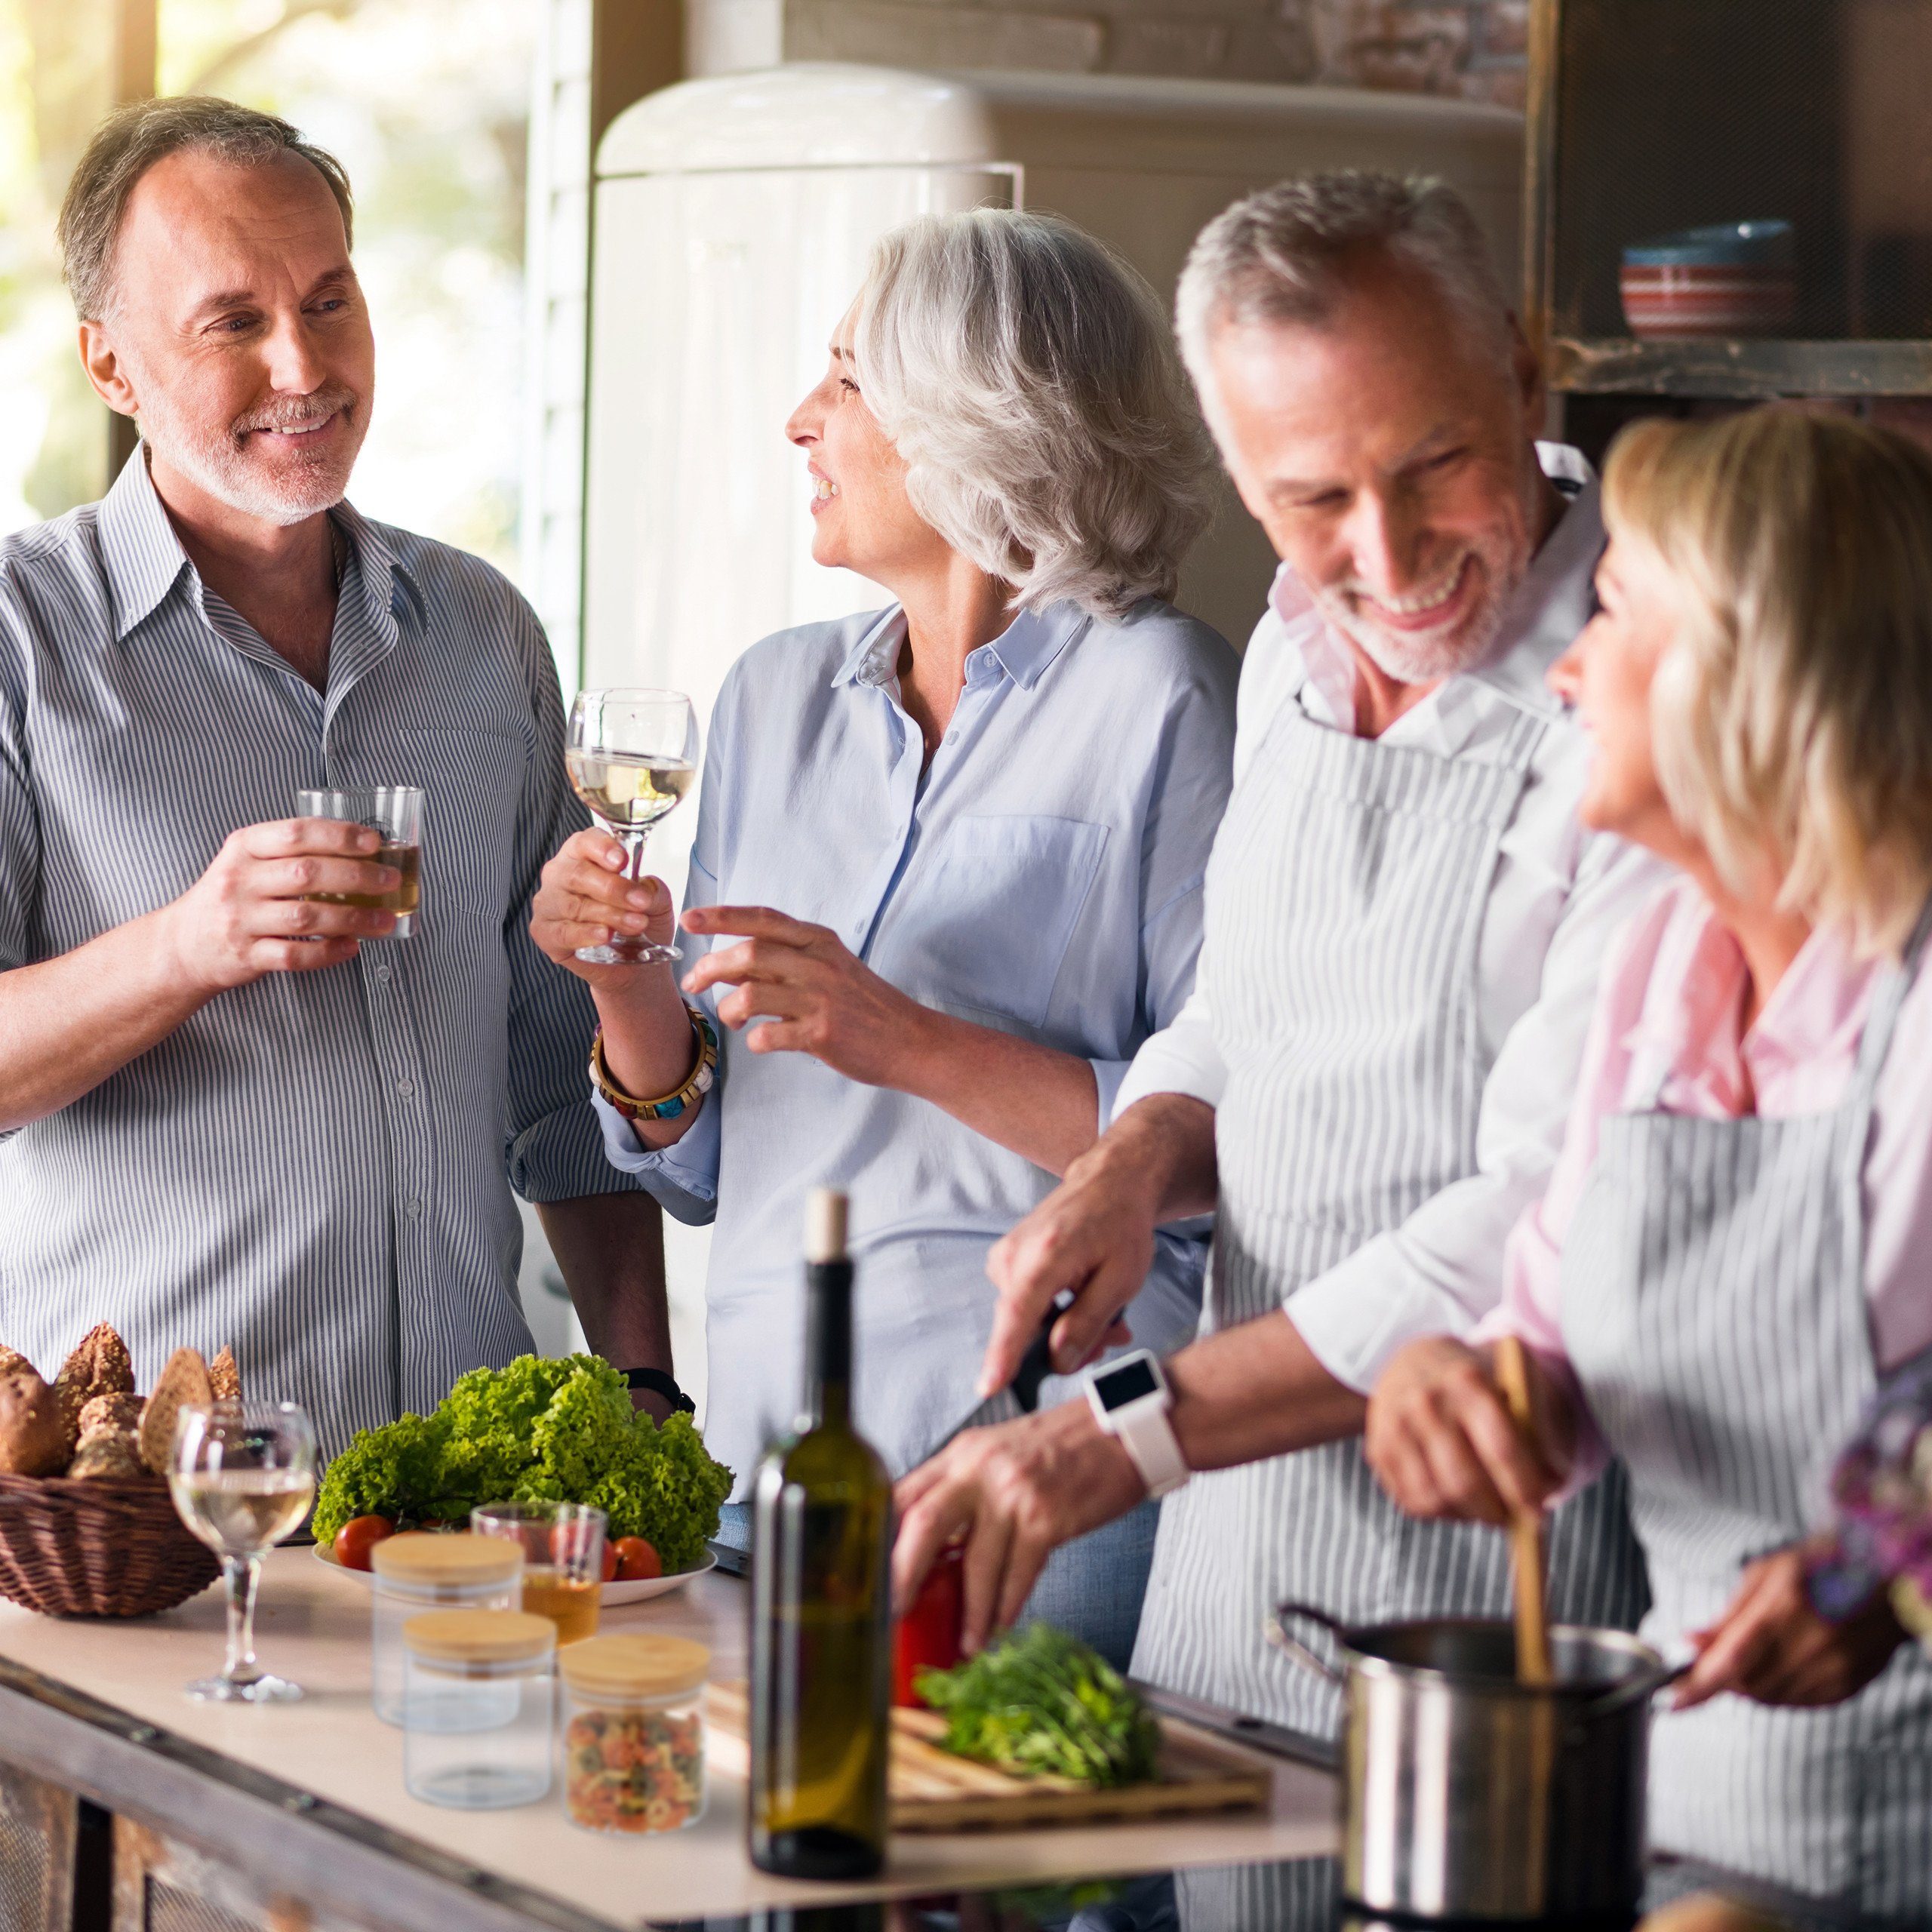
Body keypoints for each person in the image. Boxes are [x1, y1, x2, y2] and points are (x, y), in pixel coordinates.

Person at [893, 173, 1664, 1727]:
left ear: (1522, 376)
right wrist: (1132, 1158)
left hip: (1504, 1592)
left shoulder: (1653, 685)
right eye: (1310, 501)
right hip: (1232, 1570)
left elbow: (1541, 1211)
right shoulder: (1291, 662)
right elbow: (1238, 1018)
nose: (1385, 558)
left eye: (1435, 463)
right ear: (1239, 478)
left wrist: (1114, 1435)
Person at [531, 208, 1235, 1667]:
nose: (802, 419)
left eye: (846, 382)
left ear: (976, 417)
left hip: (1045, 1490)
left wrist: (901, 1036)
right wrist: (629, 985)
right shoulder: (777, 693)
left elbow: (1220, 1150)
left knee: (1048, 1897)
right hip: (773, 1470)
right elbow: (707, 1158)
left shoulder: (1166, 697)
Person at [0, 98, 669, 1459]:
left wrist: (644, 1390)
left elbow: (561, 1082)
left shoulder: (482, 632)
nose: (304, 366)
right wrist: (191, 945)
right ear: (112, 366)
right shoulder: (23, 639)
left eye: (329, 299)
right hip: (148, 1506)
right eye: (231, 323)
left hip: (454, 1496)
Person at [1366, 408, 1932, 1916]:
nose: (1563, 667)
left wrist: (1894, 1565)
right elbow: (1542, 1347)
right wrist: (1464, 1387)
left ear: (1754, 669)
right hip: (1690, 1833)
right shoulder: (1658, 970)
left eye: (1611, 612)